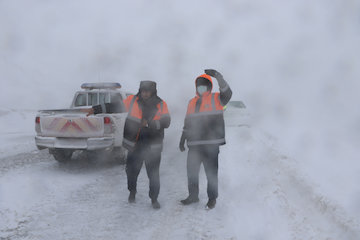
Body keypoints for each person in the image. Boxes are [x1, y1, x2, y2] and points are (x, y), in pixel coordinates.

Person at [87, 81, 171, 209]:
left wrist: (150, 124)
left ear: (153, 91)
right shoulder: (132, 101)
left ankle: (154, 199)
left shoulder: (161, 104)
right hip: (135, 145)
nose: (145, 94)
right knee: (131, 171)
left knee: (153, 174)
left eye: (148, 91)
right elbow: (115, 106)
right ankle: (132, 191)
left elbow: (166, 122)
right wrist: (95, 109)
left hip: (152, 147)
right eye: (143, 91)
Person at [179, 69, 232, 209]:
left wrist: (218, 76)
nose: (200, 88)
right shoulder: (191, 102)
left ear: (209, 87)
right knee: (192, 173)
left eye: (204, 85)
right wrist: (182, 138)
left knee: (211, 174)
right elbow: (187, 122)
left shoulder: (217, 99)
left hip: (211, 145)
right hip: (194, 145)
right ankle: (193, 196)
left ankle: (212, 199)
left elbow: (228, 93)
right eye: (198, 85)